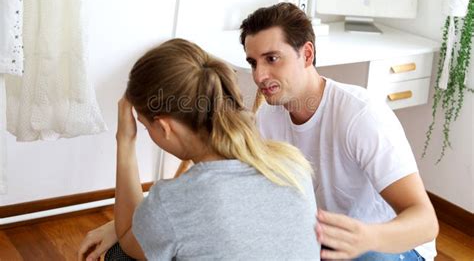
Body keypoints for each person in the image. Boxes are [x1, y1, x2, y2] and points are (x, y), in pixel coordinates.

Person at [78, 38, 320, 260]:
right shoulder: (292, 163)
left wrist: (125, 140)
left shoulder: (173, 201)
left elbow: (129, 237)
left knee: (120, 254)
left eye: (144, 125)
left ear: (164, 127)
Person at [240, 2, 439, 261]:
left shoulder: (360, 115)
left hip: (390, 247)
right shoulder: (268, 117)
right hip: (326, 243)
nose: (259, 75)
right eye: (253, 63)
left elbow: (426, 223)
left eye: (272, 58)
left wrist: (366, 237)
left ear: (307, 54)